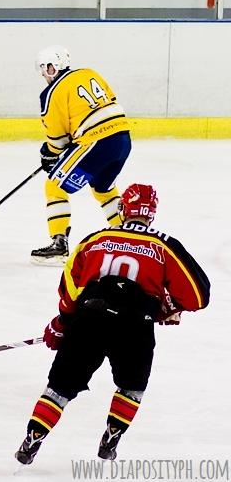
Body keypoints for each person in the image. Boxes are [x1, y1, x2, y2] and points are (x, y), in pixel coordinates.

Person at [15, 184, 210, 465]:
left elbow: (70, 286)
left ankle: (32, 440)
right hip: (135, 327)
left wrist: (63, 322)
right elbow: (198, 296)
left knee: (59, 387)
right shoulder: (165, 245)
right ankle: (111, 439)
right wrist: (164, 308)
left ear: (123, 209)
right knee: (132, 387)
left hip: (89, 321)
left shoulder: (95, 239)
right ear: (152, 213)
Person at [30, 45, 133, 265]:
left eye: (45, 69)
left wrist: (49, 154)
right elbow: (107, 102)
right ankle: (129, 239)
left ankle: (59, 245)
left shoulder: (52, 92)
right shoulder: (90, 73)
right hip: (122, 139)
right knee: (104, 189)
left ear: (53, 67)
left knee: (55, 185)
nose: (45, 75)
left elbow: (57, 138)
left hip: (96, 141)